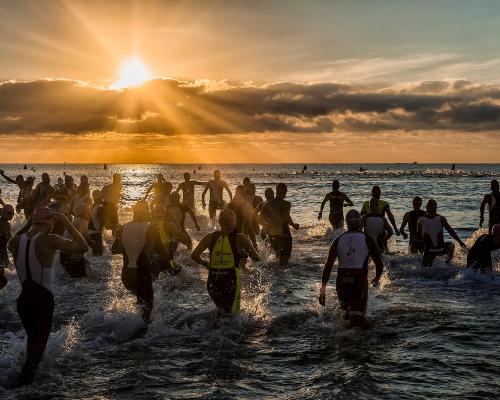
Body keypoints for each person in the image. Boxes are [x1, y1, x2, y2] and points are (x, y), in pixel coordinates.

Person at [8, 207, 88, 384]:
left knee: (32, 341)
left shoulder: (15, 241)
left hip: (23, 300)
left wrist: (29, 223)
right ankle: (23, 385)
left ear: (33, 221)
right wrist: (67, 221)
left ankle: (26, 379)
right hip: (42, 299)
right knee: (40, 345)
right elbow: (83, 247)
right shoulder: (50, 240)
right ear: (50, 223)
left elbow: (17, 238)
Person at [319, 210, 383, 326]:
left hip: (342, 281)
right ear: (360, 223)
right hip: (359, 280)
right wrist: (377, 278)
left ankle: (342, 341)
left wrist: (322, 290)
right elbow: (379, 263)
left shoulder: (337, 240)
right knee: (359, 320)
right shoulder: (367, 239)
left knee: (347, 316)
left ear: (347, 224)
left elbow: (328, 266)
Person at [191, 209, 260, 316]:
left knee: (221, 312)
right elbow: (256, 258)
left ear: (219, 222)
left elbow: (194, 255)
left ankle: (214, 331)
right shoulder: (240, 238)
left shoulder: (209, 237)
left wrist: (206, 264)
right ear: (234, 221)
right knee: (233, 315)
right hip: (230, 281)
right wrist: (242, 254)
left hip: (213, 281)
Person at [111, 201, 168, 325]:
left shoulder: (122, 228)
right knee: (147, 307)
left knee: (140, 301)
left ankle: (132, 326)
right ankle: (142, 335)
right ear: (146, 212)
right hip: (142, 274)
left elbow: (114, 250)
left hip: (126, 276)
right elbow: (164, 252)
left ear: (134, 212)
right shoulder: (150, 228)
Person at [258, 183, 299, 266]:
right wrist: (294, 225)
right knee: (285, 258)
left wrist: (269, 225)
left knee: (278, 255)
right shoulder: (286, 204)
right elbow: (286, 216)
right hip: (284, 230)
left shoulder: (267, 204)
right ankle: (283, 277)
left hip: (271, 232)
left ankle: (278, 276)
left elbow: (259, 220)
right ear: (285, 192)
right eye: (285, 191)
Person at [417, 199, 467, 267]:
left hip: (431, 251)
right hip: (436, 250)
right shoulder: (439, 219)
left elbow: (418, 237)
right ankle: (447, 263)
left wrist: (460, 241)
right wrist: (460, 241)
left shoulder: (422, 220)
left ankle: (447, 263)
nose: (431, 208)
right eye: (430, 206)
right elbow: (451, 231)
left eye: (432, 206)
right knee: (451, 245)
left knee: (451, 245)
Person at [151, 204, 192, 276]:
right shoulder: (168, 225)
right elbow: (185, 238)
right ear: (164, 213)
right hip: (167, 261)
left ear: (154, 213)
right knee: (181, 273)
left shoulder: (149, 226)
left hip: (152, 262)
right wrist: (175, 239)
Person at [60, 204, 92, 277]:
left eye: (89, 210)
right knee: (81, 279)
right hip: (73, 255)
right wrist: (92, 242)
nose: (90, 213)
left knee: (71, 279)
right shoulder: (83, 222)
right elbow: (86, 238)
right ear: (82, 212)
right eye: (87, 211)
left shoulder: (75, 220)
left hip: (64, 254)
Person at [227, 185, 258, 250]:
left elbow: (222, 222)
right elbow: (250, 227)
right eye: (243, 193)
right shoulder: (246, 207)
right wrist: (254, 244)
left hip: (230, 237)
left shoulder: (229, 206)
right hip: (241, 238)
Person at [0, 204, 15, 289]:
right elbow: (9, 241)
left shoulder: (4, 223)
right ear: (3, 213)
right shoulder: (5, 224)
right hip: (1, 254)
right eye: (9, 213)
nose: (12, 214)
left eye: (13, 212)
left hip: (3, 253)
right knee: (3, 280)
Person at [88, 190, 105, 257]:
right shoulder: (100, 207)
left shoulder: (92, 206)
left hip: (90, 232)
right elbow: (102, 220)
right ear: (101, 197)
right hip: (97, 233)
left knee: (93, 254)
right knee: (99, 255)